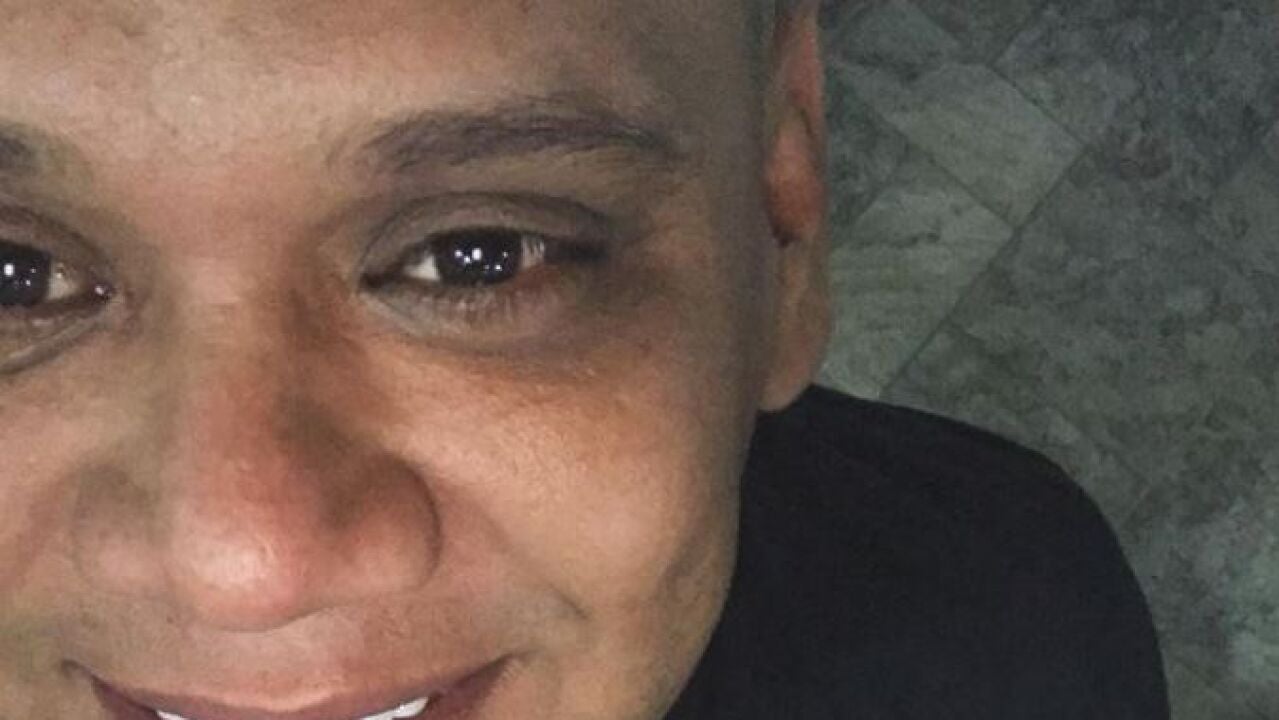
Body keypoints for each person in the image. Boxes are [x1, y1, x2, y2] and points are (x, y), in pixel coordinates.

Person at [0, 0, 1169, 717]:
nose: (244, 567)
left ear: (782, 215)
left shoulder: (998, 629)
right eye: (12, 276)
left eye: (476, 257)